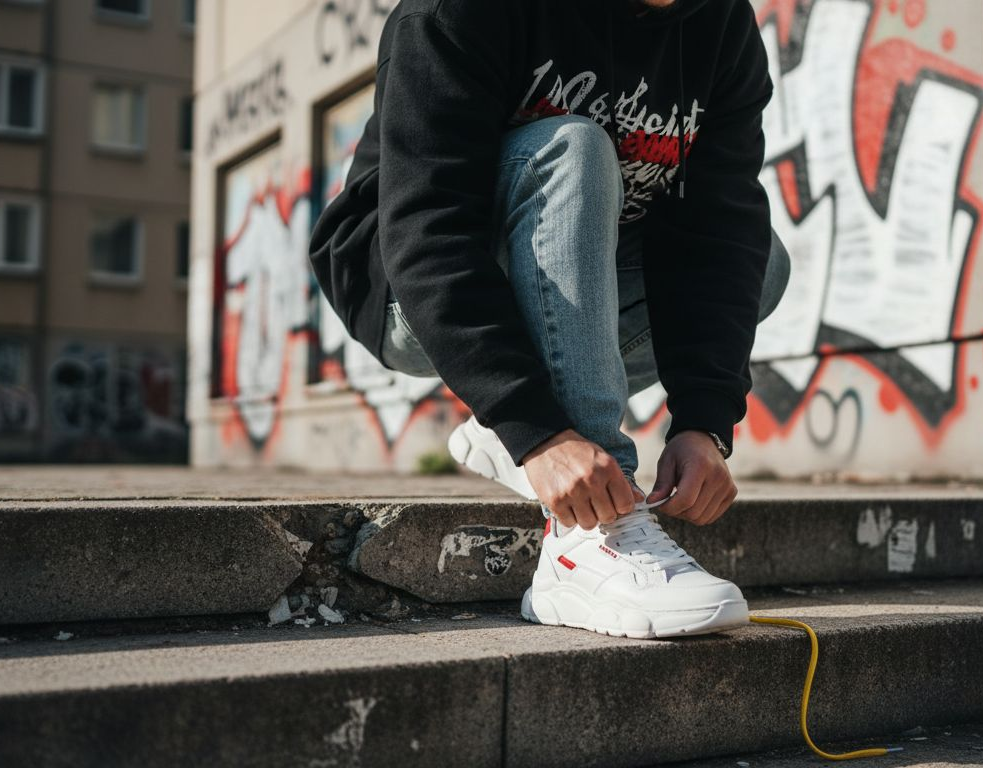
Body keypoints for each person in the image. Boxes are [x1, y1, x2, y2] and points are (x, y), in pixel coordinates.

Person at [310, 0, 790, 638]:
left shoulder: (721, 24)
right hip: (407, 287)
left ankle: (527, 424)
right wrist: (537, 431)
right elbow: (427, 230)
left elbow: (718, 229)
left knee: (764, 263)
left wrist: (705, 422)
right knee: (570, 146)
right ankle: (586, 541)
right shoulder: (454, 11)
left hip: (575, 269)